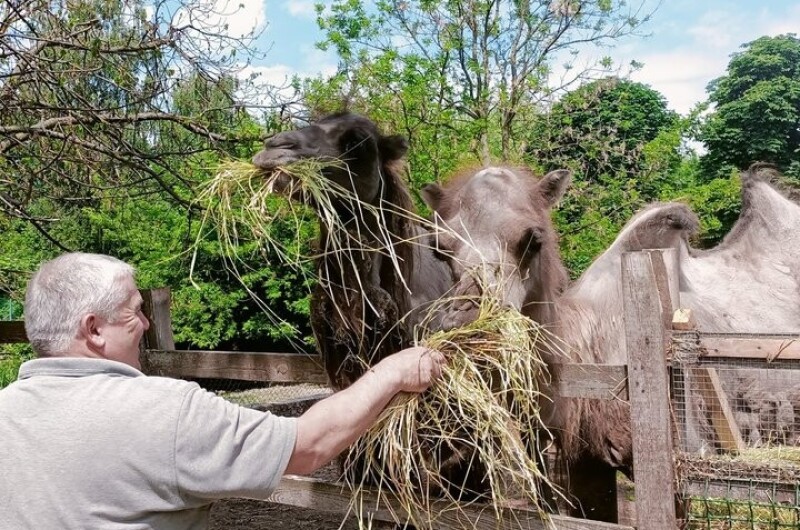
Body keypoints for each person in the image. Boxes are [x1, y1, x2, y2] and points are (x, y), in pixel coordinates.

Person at [0, 252, 444, 529]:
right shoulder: (163, 411)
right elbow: (307, 445)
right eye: (135, 312)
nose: (147, 324)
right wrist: (392, 372)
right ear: (94, 329)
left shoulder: (7, 411)